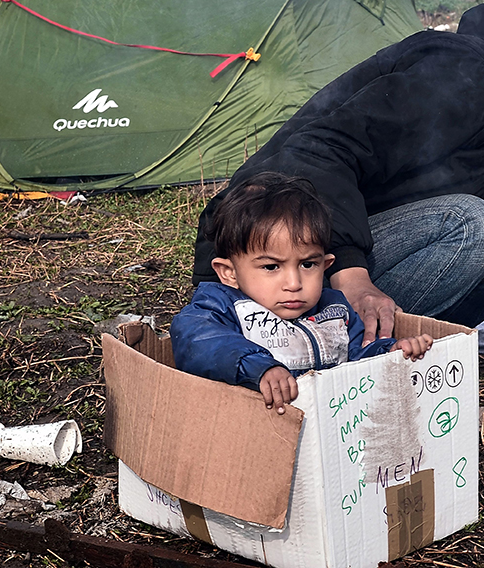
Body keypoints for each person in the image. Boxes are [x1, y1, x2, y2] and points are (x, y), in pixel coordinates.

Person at [192, 0, 484, 344]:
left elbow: (414, 171)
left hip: (323, 249)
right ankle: (314, 342)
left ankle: (396, 348)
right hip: (259, 251)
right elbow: (321, 150)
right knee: (472, 225)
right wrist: (351, 275)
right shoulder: (471, 75)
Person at [172, 172, 433, 414]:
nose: (294, 283)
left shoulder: (334, 310)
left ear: (326, 265)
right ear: (229, 273)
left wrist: (390, 351)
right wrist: (259, 367)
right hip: (256, 427)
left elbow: (356, 355)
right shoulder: (220, 307)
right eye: (271, 267)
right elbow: (198, 340)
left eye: (308, 264)